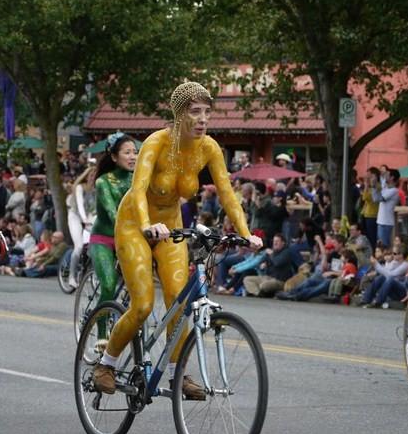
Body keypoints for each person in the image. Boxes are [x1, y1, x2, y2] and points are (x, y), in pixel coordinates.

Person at [92, 82, 262, 398]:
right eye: (194, 112)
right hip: (135, 223)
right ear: (179, 113)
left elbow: (227, 193)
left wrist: (246, 232)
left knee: (179, 301)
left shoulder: (208, 148)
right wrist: (146, 225)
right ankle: (106, 363)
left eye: (207, 112)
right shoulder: (157, 143)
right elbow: (139, 189)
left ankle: (176, 375)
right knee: (142, 305)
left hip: (172, 227)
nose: (202, 119)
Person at [88, 132, 137, 311]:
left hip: (130, 239)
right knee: (108, 285)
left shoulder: (138, 181)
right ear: (114, 157)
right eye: (127, 152)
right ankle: (101, 333)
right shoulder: (103, 182)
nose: (133, 157)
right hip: (104, 239)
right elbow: (113, 214)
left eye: (135, 152)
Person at [66, 166, 96, 287]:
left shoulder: (97, 189)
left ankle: (93, 274)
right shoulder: (79, 187)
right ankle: (71, 277)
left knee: (97, 245)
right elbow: (79, 205)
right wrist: (84, 219)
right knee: (78, 247)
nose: (93, 177)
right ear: (87, 176)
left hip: (88, 218)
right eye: (91, 175)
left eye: (95, 175)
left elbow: (97, 208)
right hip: (75, 216)